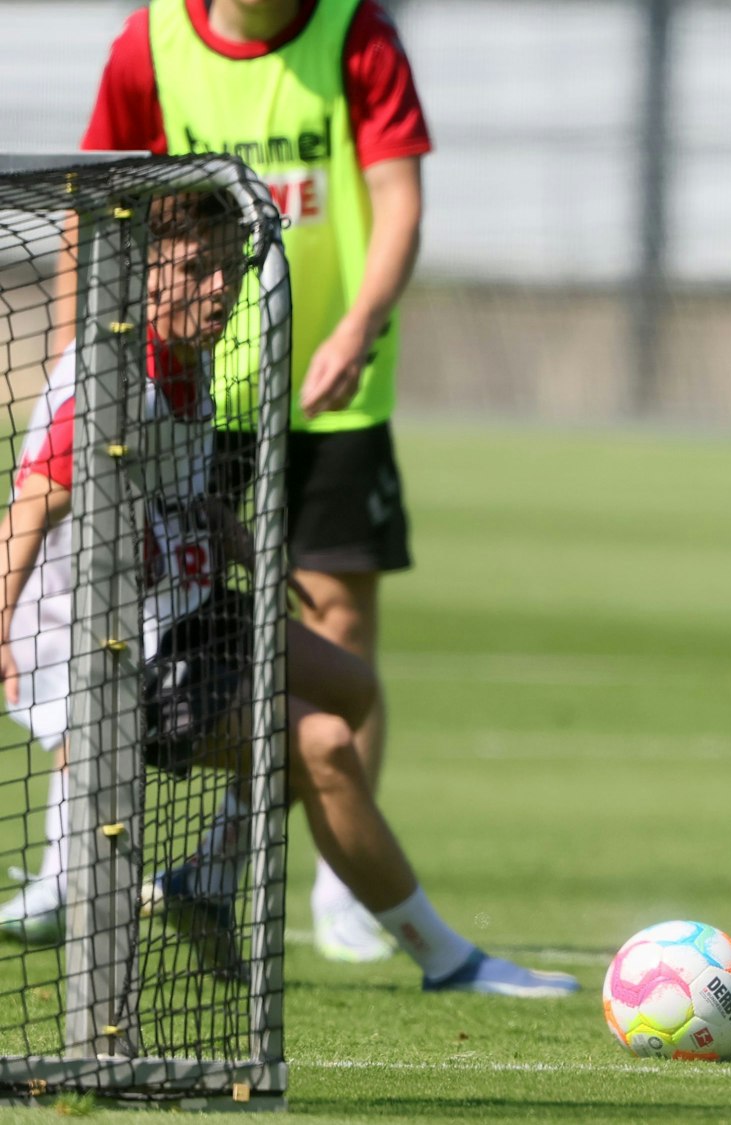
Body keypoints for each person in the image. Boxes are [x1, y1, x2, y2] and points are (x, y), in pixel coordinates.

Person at [0, 193, 574, 998]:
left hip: (178, 613)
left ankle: (210, 873)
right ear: (143, 274)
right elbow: (33, 499)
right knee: (323, 746)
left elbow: (154, 484)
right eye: (195, 269)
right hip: (110, 651)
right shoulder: (117, 374)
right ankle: (448, 959)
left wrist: (222, 531)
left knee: (352, 687)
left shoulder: (186, 354)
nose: (219, 289)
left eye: (227, 270)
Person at [76, 0, 430, 963]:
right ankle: (78, 862)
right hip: (194, 394)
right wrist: (93, 353)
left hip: (328, 389)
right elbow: (92, 205)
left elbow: (398, 199)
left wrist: (358, 327)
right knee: (123, 615)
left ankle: (326, 877)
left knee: (335, 627)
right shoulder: (150, 42)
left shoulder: (354, 32)